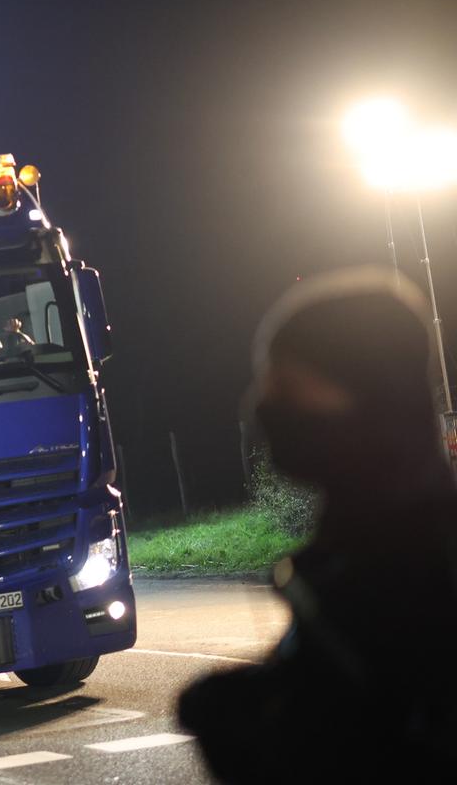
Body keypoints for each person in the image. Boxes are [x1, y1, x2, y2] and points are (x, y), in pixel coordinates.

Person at [178, 269, 457, 780]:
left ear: (370, 392)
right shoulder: (350, 545)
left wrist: (246, 728)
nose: (263, 408)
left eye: (287, 386)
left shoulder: (411, 565)